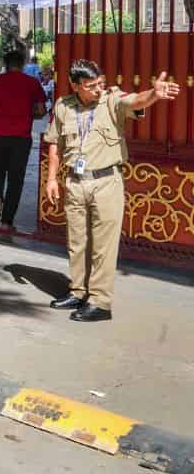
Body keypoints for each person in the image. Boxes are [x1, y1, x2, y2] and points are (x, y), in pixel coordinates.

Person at [44, 61, 179, 323]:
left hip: (106, 182)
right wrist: (51, 179)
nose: (97, 90)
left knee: (103, 246)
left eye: (100, 84)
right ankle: (79, 291)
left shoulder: (111, 100)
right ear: (75, 86)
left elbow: (135, 102)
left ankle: (100, 302)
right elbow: (54, 143)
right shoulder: (63, 106)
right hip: (75, 181)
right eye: (90, 86)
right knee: (77, 241)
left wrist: (153, 94)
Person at [0, 48, 47, 228]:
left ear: (5, 64)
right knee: (16, 178)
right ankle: (7, 221)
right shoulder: (32, 83)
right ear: (23, 64)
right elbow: (41, 111)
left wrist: (0, 114)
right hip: (21, 136)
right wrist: (28, 115)